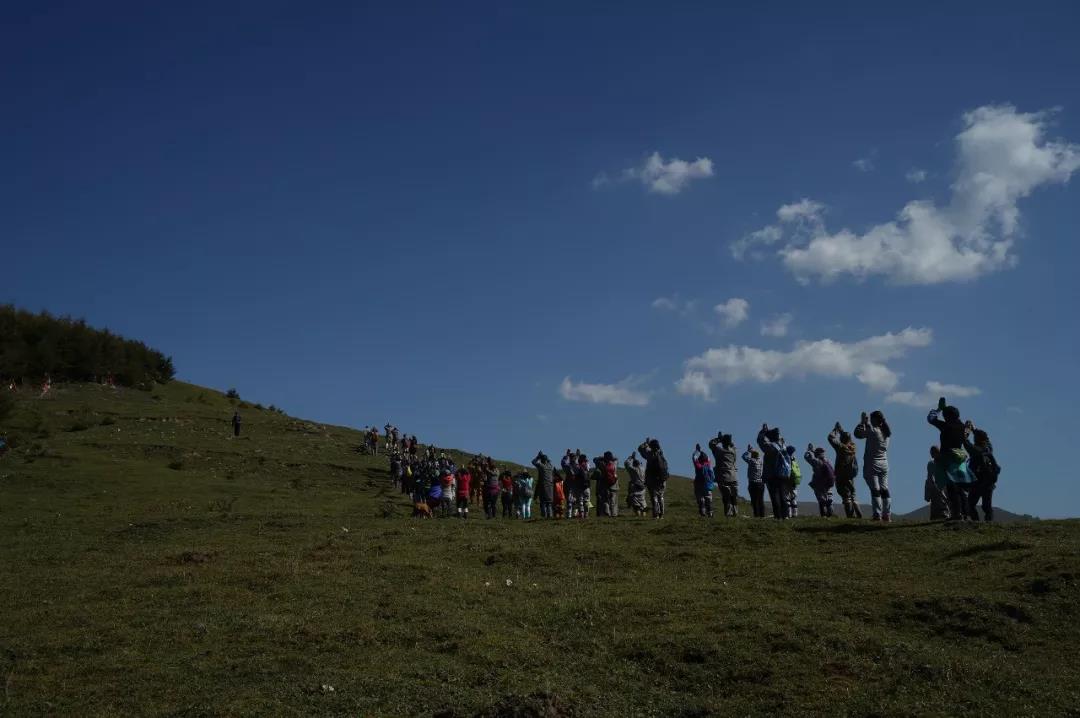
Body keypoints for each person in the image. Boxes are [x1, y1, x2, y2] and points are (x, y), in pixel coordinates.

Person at [927, 399, 976, 521]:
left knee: (951, 488)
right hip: (960, 458)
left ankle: (956, 514)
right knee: (960, 489)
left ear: (947, 417)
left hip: (947, 458)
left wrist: (938, 410)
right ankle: (966, 514)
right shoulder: (962, 427)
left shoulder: (946, 426)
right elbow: (966, 434)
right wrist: (969, 426)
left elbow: (930, 419)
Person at [854, 410, 892, 522]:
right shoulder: (886, 433)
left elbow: (857, 434)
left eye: (871, 419)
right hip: (884, 463)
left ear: (875, 419)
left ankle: (877, 514)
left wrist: (862, 422)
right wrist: (867, 424)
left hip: (872, 464)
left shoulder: (873, 430)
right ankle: (887, 514)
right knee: (884, 489)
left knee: (875, 489)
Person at [964, 424, 1001, 522]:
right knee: (986, 506)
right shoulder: (988, 448)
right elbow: (987, 439)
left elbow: (965, 441)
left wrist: (968, 429)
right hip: (989, 482)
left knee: (970, 505)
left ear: (976, 440)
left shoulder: (974, 450)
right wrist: (974, 429)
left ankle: (976, 522)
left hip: (977, 482)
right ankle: (989, 523)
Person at [828, 423, 863, 519]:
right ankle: (859, 514)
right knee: (853, 494)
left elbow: (830, 438)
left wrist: (835, 430)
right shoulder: (852, 447)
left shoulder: (841, 447)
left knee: (845, 496)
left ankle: (850, 516)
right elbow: (847, 438)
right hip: (850, 475)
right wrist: (841, 430)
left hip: (840, 475)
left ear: (841, 439)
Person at [757, 424, 790, 519]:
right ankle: (786, 515)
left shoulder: (770, 447)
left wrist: (763, 432)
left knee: (774, 495)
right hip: (783, 474)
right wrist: (772, 432)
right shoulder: (783, 446)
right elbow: (778, 436)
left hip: (772, 475)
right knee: (783, 495)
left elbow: (760, 441)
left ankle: (778, 516)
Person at [708, 433, 740, 518]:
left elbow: (711, 444)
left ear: (723, 442)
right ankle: (735, 512)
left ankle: (728, 514)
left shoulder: (719, 451)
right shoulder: (733, 451)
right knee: (734, 497)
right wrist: (727, 440)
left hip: (723, 477)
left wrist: (719, 439)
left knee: (726, 497)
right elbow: (733, 445)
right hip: (733, 477)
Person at [637, 438, 669, 519]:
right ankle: (662, 514)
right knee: (661, 496)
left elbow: (640, 448)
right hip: (662, 479)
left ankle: (656, 514)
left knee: (654, 497)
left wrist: (646, 443)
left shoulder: (649, 454)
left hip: (652, 479)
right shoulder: (661, 453)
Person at [804, 444, 835, 518]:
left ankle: (823, 514)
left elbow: (806, 457)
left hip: (819, 482)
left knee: (820, 498)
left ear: (816, 454)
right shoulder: (828, 461)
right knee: (828, 496)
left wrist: (808, 451)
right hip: (829, 481)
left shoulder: (815, 461)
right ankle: (830, 511)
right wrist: (814, 451)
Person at [924, 447, 951, 521]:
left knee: (937, 504)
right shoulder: (942, 462)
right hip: (942, 486)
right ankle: (944, 515)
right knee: (942, 502)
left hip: (936, 486)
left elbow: (930, 477)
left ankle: (939, 516)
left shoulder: (931, 463)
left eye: (932, 453)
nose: (931, 455)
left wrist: (927, 492)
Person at [692, 445, 716, 518]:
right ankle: (710, 513)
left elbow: (694, 457)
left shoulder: (698, 465)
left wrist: (697, 451)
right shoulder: (709, 465)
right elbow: (708, 459)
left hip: (699, 484)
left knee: (701, 499)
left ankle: (702, 512)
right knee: (708, 499)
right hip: (708, 485)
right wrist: (703, 452)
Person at [742, 445, 765, 518]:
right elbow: (757, 455)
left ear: (752, 456)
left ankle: (756, 515)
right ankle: (762, 515)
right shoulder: (761, 461)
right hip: (761, 483)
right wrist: (753, 451)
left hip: (753, 483)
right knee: (761, 500)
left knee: (754, 500)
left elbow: (744, 456)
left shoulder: (752, 461)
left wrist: (749, 451)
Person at [595, 451, 619, 518]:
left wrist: (601, 458)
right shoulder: (615, 464)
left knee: (605, 500)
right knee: (613, 501)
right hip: (614, 485)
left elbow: (595, 460)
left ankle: (607, 512)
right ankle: (614, 514)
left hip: (605, 485)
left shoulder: (602, 464)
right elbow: (616, 458)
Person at [532, 452, 556, 518]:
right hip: (550, 486)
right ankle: (550, 515)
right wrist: (546, 459)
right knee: (549, 503)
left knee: (543, 502)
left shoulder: (541, 466)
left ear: (542, 460)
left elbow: (533, 462)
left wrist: (538, 457)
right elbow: (549, 462)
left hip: (543, 486)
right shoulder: (551, 467)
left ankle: (544, 516)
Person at [786, 445, 801, 518]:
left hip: (787, 479)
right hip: (794, 480)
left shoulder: (786, 459)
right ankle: (795, 514)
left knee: (787, 497)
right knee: (793, 498)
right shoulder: (794, 459)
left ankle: (789, 514)